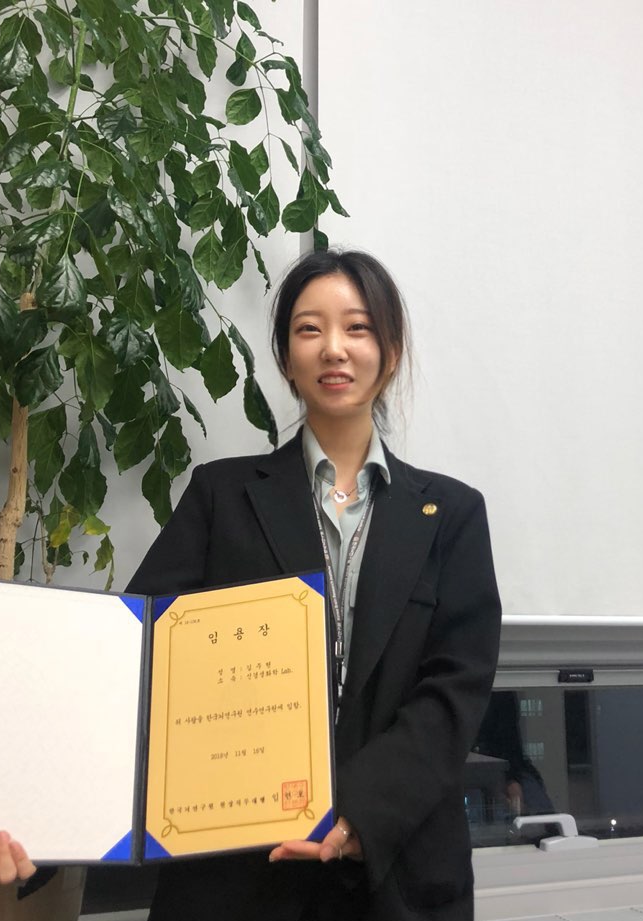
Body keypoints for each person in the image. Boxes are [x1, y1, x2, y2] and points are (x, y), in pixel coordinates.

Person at [127, 249, 502, 920]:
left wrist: (355, 811)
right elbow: (135, 660)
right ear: (284, 354)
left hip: (397, 870)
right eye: (309, 329)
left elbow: (454, 692)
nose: (335, 348)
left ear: (389, 350)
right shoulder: (221, 496)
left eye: (357, 328)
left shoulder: (451, 514)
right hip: (237, 875)